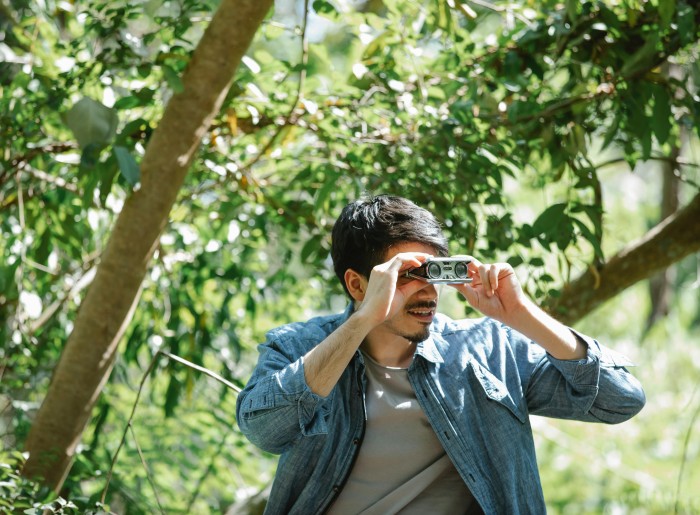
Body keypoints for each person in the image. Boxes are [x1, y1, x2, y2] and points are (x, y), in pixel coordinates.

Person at [236, 195, 645, 515]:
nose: (428, 292)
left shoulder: (490, 348)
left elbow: (621, 399)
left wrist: (522, 314)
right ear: (358, 285)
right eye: (408, 275)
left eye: (435, 272)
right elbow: (264, 431)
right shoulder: (297, 346)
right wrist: (362, 321)